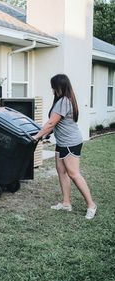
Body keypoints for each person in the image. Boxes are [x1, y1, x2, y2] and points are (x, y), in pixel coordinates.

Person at [33, 74, 97, 219]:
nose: (52, 89)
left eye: (53, 86)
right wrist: (43, 134)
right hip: (62, 142)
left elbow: (50, 123)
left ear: (59, 86)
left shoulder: (64, 101)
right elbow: (53, 124)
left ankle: (91, 205)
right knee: (61, 171)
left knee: (73, 173)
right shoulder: (63, 100)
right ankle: (66, 203)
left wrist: (36, 136)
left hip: (70, 142)